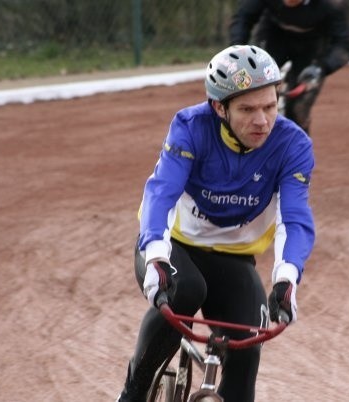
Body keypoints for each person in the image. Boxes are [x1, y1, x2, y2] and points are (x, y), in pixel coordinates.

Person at [116, 45, 316, 402]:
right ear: (219, 107)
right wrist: (156, 255)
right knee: (185, 291)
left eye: (270, 106)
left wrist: (287, 277)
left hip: (234, 259)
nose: (262, 121)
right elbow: (160, 193)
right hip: (174, 245)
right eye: (247, 109)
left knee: (247, 348)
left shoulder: (293, 144)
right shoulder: (190, 127)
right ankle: (132, 394)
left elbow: (296, 217)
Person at [229, 0, 349, 134]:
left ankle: (298, 150)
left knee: (298, 108)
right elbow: (243, 17)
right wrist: (238, 53)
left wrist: (322, 67)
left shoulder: (333, 4)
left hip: (314, 43)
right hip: (274, 33)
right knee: (252, 89)